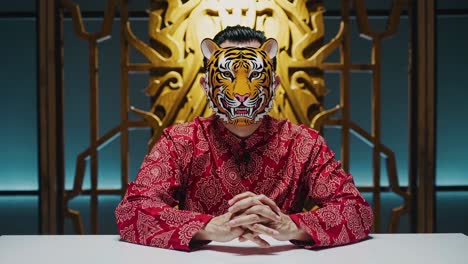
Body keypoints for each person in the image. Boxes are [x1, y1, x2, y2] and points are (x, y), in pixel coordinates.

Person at [115, 25, 373, 251]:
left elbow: (358, 212)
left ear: (274, 85)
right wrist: (208, 228)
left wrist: (291, 226)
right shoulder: (180, 141)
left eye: (255, 75)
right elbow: (130, 211)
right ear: (206, 86)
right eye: (226, 75)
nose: (241, 92)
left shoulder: (304, 143)